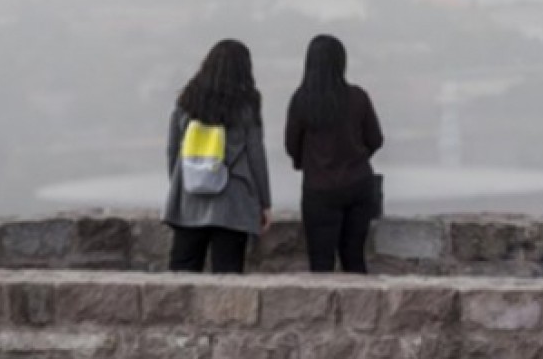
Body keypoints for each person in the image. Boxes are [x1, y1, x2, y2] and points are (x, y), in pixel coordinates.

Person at [163, 39, 272, 273]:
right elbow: (256, 155)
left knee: (182, 274)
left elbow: (173, 149)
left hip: (190, 200)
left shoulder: (187, 100)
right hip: (233, 202)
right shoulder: (248, 105)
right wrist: (264, 202)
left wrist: (180, 185)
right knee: (228, 278)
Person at [285, 34, 384, 273]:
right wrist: (357, 157)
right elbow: (376, 139)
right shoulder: (357, 97)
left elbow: (291, 144)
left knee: (321, 262)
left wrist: (306, 163)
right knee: (354, 258)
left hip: (319, 189)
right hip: (358, 184)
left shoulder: (302, 100)